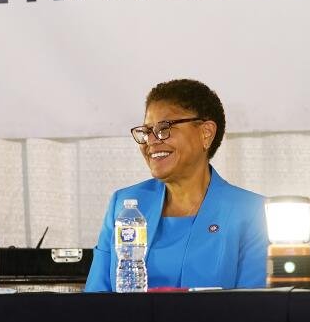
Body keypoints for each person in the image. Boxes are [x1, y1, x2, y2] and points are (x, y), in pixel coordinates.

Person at [84, 79, 269, 291]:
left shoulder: (251, 211)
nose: (151, 141)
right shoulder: (124, 204)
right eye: (146, 131)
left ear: (206, 133)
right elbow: (95, 299)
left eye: (164, 128)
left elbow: (255, 309)